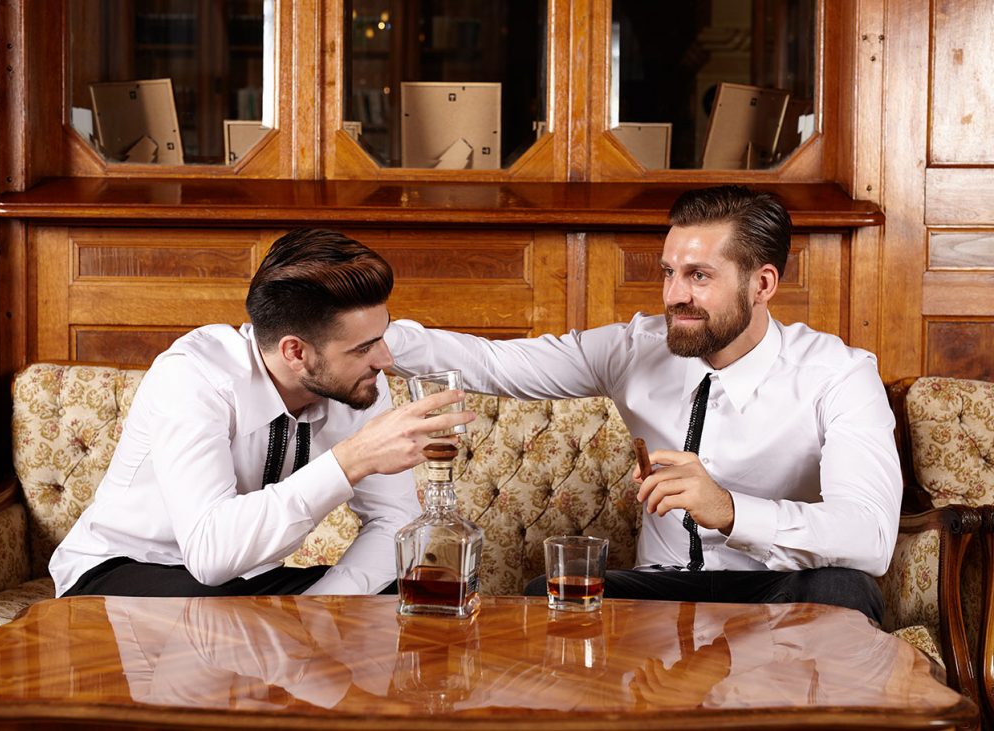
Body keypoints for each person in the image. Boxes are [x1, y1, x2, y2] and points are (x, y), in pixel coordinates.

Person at [384, 185, 902, 622]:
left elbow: (870, 536)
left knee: (846, 591)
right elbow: (495, 363)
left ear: (762, 283)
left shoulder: (838, 374)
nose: (674, 295)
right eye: (668, 272)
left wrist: (729, 510)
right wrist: (370, 337)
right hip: (661, 595)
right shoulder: (635, 348)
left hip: (777, 593)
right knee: (550, 591)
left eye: (699, 276)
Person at [51, 228, 473, 598]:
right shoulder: (193, 376)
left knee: (408, 595)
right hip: (123, 570)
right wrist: (351, 460)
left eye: (381, 337)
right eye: (363, 348)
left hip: (245, 583)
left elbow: (393, 519)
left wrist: (321, 609)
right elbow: (210, 556)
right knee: (222, 625)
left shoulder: (358, 383)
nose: (384, 359)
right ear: (296, 352)